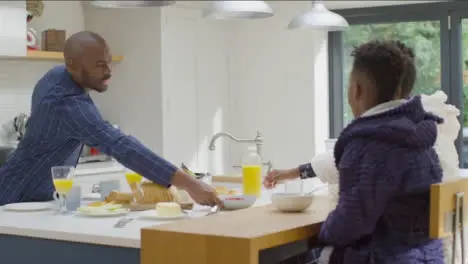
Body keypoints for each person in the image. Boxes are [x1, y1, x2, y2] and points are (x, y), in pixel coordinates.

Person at [0, 31, 223, 208]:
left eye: (108, 62)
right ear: (72, 64)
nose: (108, 71)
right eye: (99, 65)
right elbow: (121, 146)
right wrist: (191, 185)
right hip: (16, 198)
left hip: (31, 195)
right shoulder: (67, 102)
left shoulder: (57, 77)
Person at [270, 40, 445, 263]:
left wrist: (322, 233)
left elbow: (351, 222)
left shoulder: (368, 145)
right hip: (426, 256)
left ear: (356, 90)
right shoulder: (422, 140)